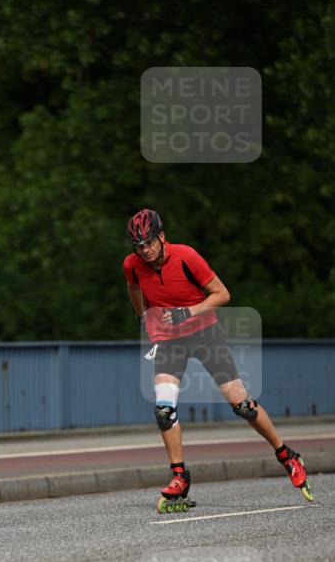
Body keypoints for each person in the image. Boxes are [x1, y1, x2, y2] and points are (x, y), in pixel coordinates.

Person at [122, 208, 313, 510]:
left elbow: (222, 294)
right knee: (164, 411)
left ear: (162, 236)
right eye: (139, 245)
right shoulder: (132, 265)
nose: (144, 250)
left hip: (203, 333)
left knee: (242, 406)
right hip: (169, 340)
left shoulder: (186, 257)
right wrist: (142, 316)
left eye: (149, 242)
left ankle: (286, 454)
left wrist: (187, 312)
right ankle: (179, 477)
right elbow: (133, 286)